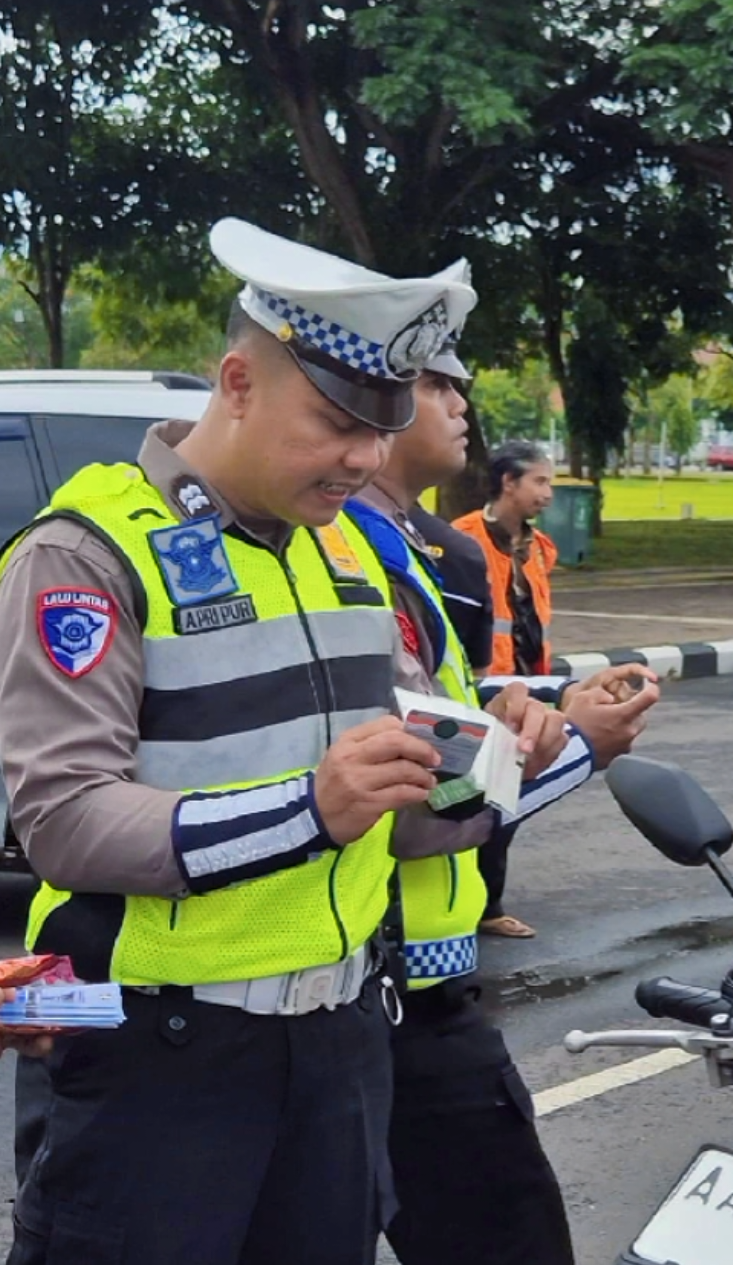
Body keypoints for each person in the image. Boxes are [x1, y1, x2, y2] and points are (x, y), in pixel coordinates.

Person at [0, 217, 484, 1265]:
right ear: (236, 381)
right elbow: (66, 820)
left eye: (381, 424)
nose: (365, 455)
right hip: (156, 1060)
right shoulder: (85, 553)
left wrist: (499, 764)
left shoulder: (348, 549)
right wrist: (313, 807)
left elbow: (403, 819)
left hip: (343, 1042)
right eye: (335, 420)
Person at [346, 332, 660, 1265]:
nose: (461, 405)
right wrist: (580, 752)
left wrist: (543, 708)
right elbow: (415, 787)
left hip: (419, 984)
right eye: (438, 381)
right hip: (375, 992)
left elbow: (434, 715)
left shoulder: (416, 545)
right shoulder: (341, 551)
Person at [452, 440, 557, 937]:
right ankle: (476, 907)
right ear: (508, 483)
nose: (548, 493)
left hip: (524, 691)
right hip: (477, 691)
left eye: (550, 482)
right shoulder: (461, 541)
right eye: (539, 481)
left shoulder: (539, 548)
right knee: (471, 800)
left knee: (505, 801)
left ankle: (484, 904)